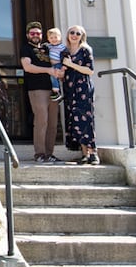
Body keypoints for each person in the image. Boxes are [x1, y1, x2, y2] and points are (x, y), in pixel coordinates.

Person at [20, 21, 62, 163]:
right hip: (37, 89)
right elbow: (27, 67)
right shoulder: (26, 49)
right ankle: (39, 153)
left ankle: (49, 153)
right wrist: (48, 70)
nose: (35, 35)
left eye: (38, 33)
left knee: (52, 123)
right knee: (41, 120)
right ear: (28, 35)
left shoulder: (47, 48)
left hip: (53, 89)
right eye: (32, 33)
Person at [61, 24, 99, 165]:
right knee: (75, 121)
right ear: (68, 35)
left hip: (83, 89)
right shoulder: (65, 52)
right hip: (70, 89)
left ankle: (93, 153)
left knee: (86, 120)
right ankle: (84, 154)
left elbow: (90, 70)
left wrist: (71, 64)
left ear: (82, 36)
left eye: (78, 33)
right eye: (72, 32)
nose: (74, 35)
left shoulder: (85, 50)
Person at [45, 27, 66, 102]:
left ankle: (56, 90)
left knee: (54, 75)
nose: (54, 39)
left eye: (56, 37)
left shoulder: (62, 47)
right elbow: (43, 48)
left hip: (58, 64)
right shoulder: (49, 46)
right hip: (52, 65)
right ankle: (58, 92)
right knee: (54, 77)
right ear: (48, 39)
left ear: (60, 38)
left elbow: (66, 55)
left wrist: (64, 66)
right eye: (51, 38)